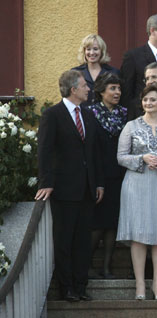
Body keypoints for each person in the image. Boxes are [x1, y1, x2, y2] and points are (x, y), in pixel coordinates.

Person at [35, 70, 104, 302]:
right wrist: (46, 182)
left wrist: (99, 183)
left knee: (83, 241)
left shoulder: (88, 114)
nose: (89, 89)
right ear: (73, 89)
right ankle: (66, 288)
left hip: (87, 189)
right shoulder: (52, 115)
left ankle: (80, 285)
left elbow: (94, 152)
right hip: (64, 189)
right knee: (64, 240)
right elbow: (44, 150)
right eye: (85, 85)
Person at [116, 84, 157, 300]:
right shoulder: (131, 126)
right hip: (136, 184)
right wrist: (141, 158)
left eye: (153, 100)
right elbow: (120, 156)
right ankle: (139, 286)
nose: (149, 103)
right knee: (138, 235)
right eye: (145, 100)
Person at [86, 73, 127, 279]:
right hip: (98, 174)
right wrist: (96, 181)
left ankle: (107, 267)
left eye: (119, 89)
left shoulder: (125, 113)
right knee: (97, 223)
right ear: (101, 91)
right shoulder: (90, 113)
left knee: (113, 223)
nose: (117, 92)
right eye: (112, 88)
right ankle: (86, 264)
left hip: (120, 175)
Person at [72, 34, 119, 107]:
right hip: (82, 116)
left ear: (102, 51)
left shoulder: (113, 72)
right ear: (84, 51)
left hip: (106, 116)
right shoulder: (75, 73)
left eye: (95, 49)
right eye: (88, 49)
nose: (91, 53)